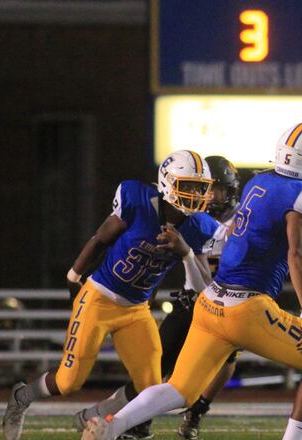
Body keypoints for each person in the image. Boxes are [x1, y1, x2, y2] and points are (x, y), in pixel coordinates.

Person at [81, 122, 302, 440]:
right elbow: (298, 253)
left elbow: (252, 238)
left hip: (210, 301)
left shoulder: (260, 182)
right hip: (245, 308)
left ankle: (112, 425)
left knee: (180, 389)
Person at [2, 150, 220, 440]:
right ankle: (22, 397)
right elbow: (100, 240)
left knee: (151, 388)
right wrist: (74, 277)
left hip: (136, 309)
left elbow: (201, 290)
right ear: (167, 182)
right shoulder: (138, 201)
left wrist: (186, 254)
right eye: (188, 185)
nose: (195, 194)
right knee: (68, 382)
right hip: (101, 297)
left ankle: (97, 417)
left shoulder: (199, 227)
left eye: (199, 187)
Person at [73, 155, 242, 440]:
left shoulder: (238, 221)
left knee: (222, 365)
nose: (209, 196)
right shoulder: (186, 215)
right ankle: (111, 417)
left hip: (223, 305)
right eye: (206, 188)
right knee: (154, 371)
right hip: (192, 301)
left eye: (216, 190)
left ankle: (194, 414)